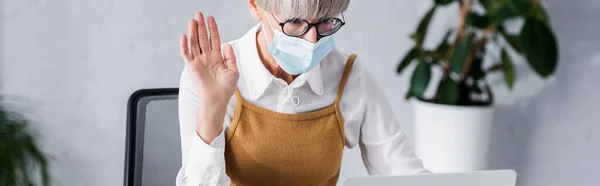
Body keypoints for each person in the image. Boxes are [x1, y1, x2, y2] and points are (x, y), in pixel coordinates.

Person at [176, 0, 430, 185]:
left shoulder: (349, 76)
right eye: (295, 22)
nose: (312, 40)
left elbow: (403, 172)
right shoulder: (210, 76)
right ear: (255, 6)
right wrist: (213, 104)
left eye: (326, 21)